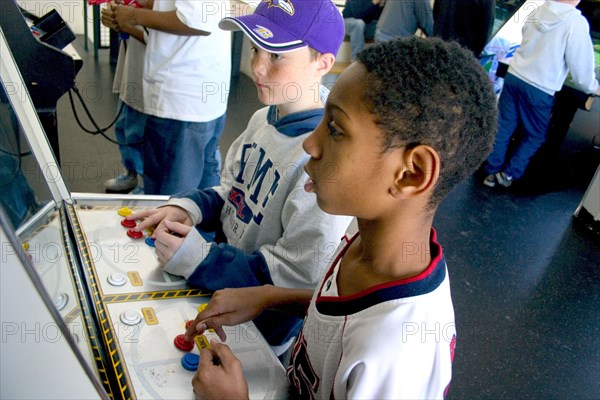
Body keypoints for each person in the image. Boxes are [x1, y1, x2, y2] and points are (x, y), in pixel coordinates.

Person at [185, 36, 498, 399]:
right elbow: (337, 317)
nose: (310, 145)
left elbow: (362, 332)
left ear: (411, 173)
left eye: (334, 130)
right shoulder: (365, 233)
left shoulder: (396, 355)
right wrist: (269, 296)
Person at [127, 0, 353, 352]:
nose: (258, 67)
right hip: (219, 288)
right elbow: (233, 191)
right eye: (254, 49)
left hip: (260, 329)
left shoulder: (322, 161)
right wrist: (190, 208)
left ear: (322, 63)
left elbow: (293, 277)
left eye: (277, 56)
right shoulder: (262, 120)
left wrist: (200, 258)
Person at [102, 0, 231, 194]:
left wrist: (132, 15)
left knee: (167, 199)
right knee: (203, 193)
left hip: (180, 100)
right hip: (199, 96)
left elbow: (196, 20)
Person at [483, 0, 600, 188]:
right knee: (535, 135)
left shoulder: (538, 9)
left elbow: (525, 36)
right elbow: (581, 70)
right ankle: (508, 174)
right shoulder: (575, 22)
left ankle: (490, 173)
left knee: (503, 126)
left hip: (515, 76)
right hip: (539, 87)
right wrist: (592, 87)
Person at [101, 0, 146, 194]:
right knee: (124, 123)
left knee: (142, 130)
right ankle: (131, 172)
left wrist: (126, 19)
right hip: (132, 55)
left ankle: (148, 185)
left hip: (153, 66)